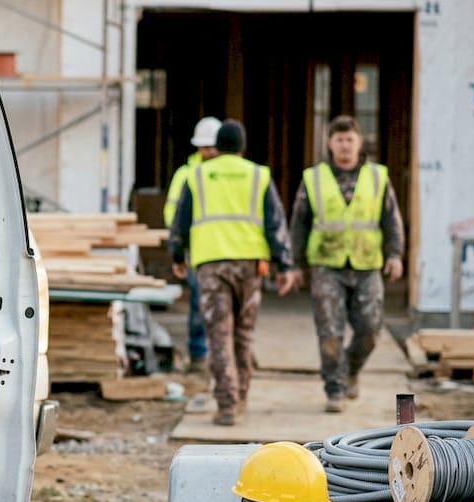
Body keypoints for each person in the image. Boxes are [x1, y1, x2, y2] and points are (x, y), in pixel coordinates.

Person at [168, 119, 299, 426]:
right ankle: (241, 396)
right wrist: (285, 265)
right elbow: (275, 223)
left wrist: (177, 254)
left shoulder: (197, 175)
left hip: (211, 265)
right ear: (242, 147)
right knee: (244, 334)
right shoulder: (258, 175)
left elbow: (180, 220)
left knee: (219, 335)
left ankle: (226, 406)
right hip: (250, 266)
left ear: (217, 144)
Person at [290, 115, 405, 414]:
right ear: (329, 143)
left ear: (359, 142)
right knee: (329, 332)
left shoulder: (377, 177)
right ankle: (335, 388)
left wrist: (395, 254)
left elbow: (391, 218)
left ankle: (351, 370)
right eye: (339, 140)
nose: (344, 145)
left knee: (370, 329)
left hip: (367, 264)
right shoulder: (313, 178)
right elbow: (299, 223)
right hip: (327, 265)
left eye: (349, 139)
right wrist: (293, 265)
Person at [164, 116, 221, 373]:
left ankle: (224, 352)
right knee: (199, 303)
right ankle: (199, 354)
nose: (209, 151)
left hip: (227, 249)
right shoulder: (187, 174)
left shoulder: (228, 173)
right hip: (198, 251)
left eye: (212, 146)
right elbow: (173, 213)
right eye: (204, 146)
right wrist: (180, 248)